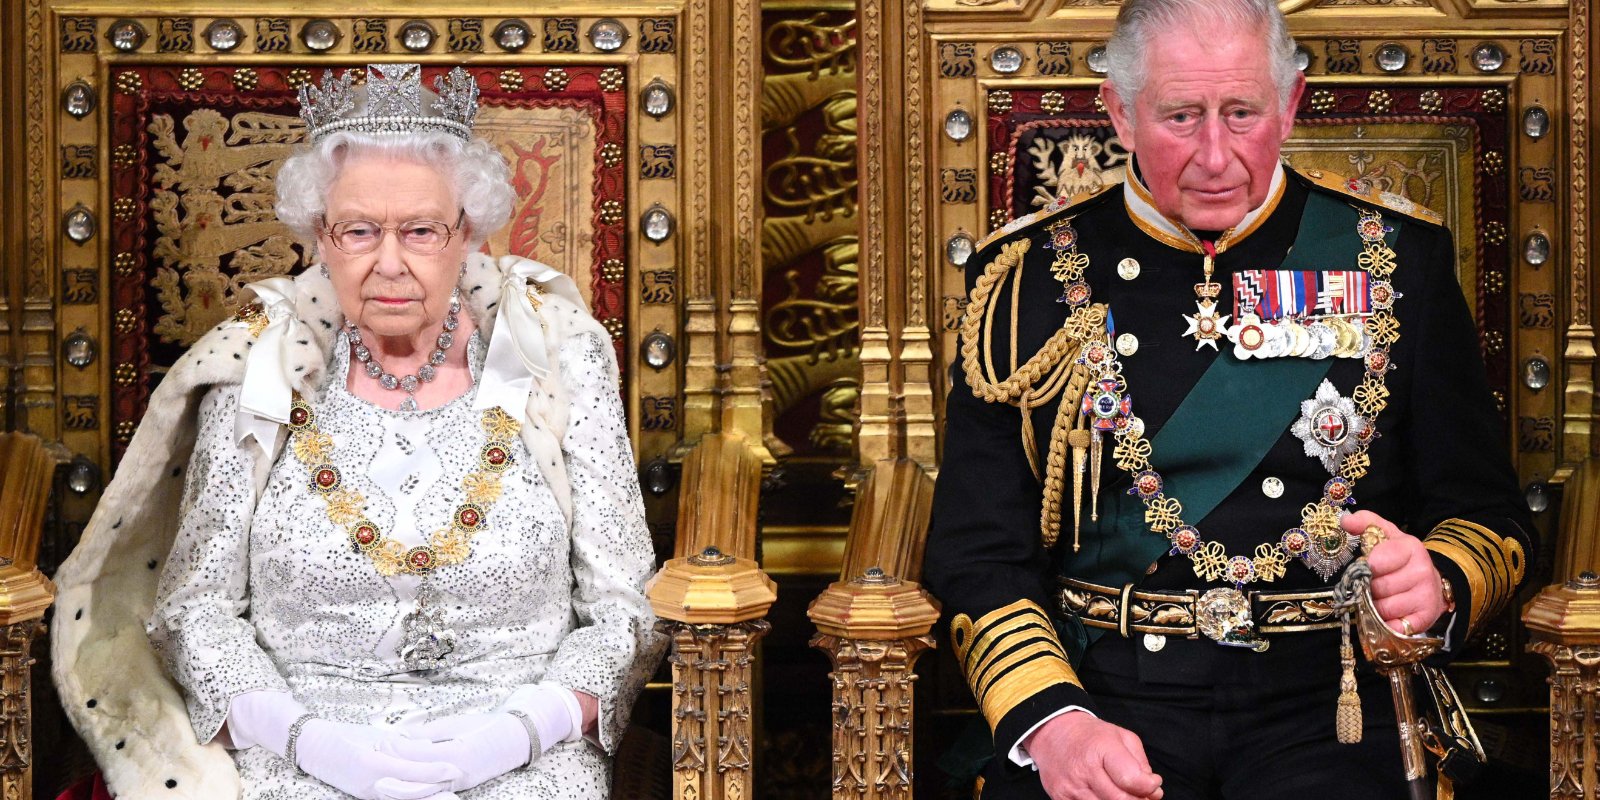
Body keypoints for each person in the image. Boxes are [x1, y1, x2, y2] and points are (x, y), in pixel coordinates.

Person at [922, 2, 1532, 798]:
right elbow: (978, 548)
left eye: (1242, 113)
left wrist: (1439, 577)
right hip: (1106, 695)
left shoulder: (1394, 264)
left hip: (1334, 704)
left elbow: (1488, 512)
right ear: (1120, 111)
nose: (1215, 155)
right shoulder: (1027, 278)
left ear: (1289, 104)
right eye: (1182, 115)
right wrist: (1055, 723)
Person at [51, 63, 664, 799]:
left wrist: (519, 733)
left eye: (422, 231)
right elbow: (194, 608)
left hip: (526, 755)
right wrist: (306, 742)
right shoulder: (260, 366)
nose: (390, 263)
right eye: (360, 230)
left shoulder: (558, 356)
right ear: (320, 236)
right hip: (296, 755)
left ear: (467, 232)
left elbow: (626, 608)